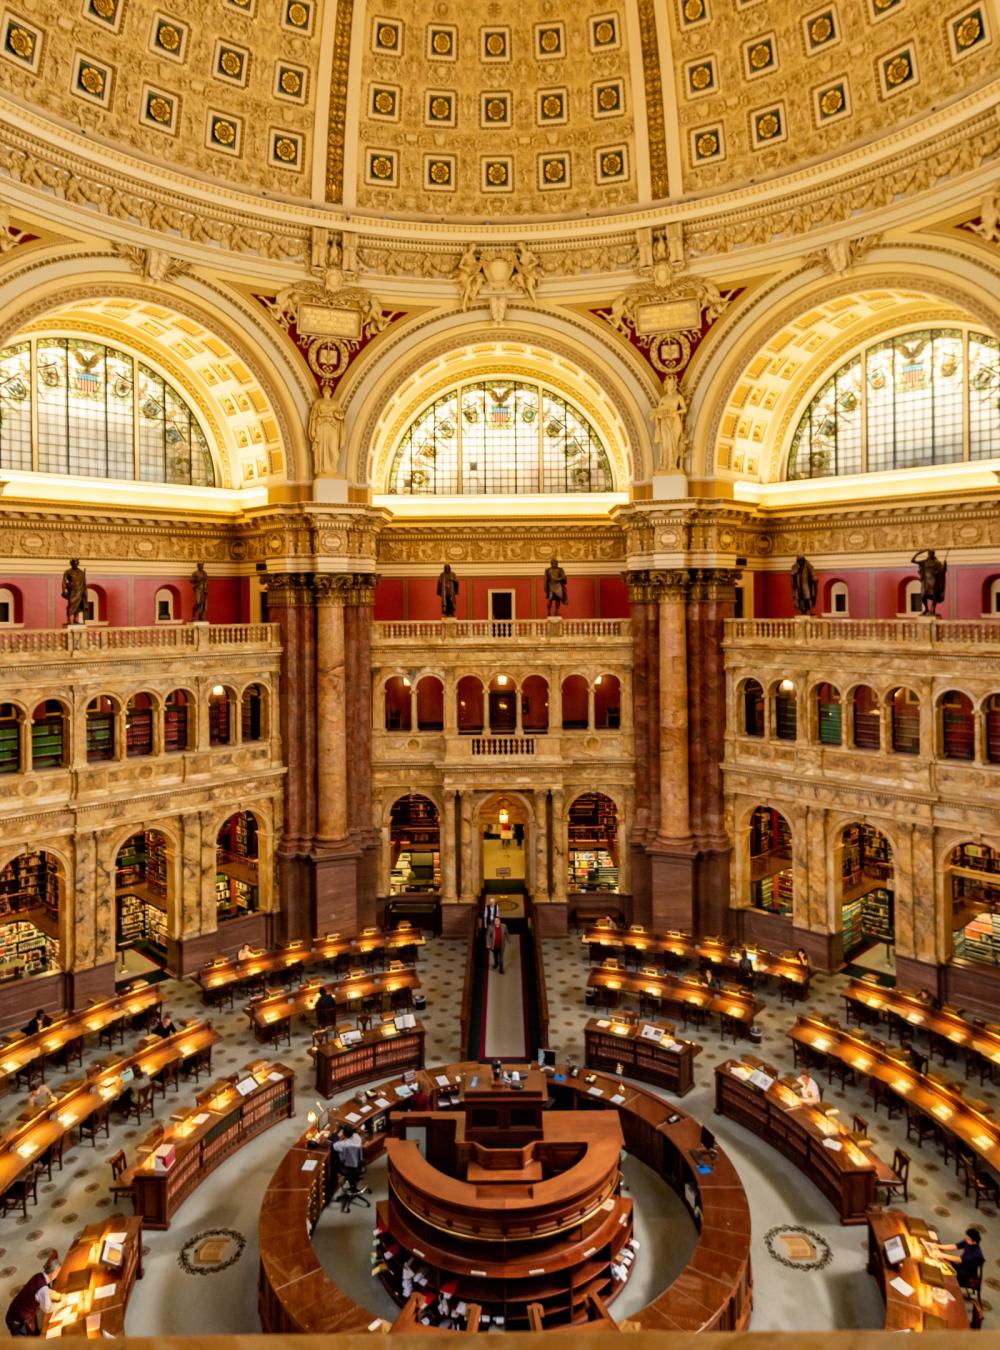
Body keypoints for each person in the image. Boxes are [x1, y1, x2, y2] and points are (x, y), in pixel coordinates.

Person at [5, 1253, 61, 1335]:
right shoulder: (43, 1289)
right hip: (17, 1320)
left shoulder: (39, 1275)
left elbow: (43, 1290)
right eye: (58, 1272)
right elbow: (47, 1308)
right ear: (54, 1273)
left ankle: (36, 1334)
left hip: (16, 1310)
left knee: (33, 1333)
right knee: (24, 1344)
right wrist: (62, 1304)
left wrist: (58, 1295)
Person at [652, 374, 687, 472]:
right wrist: (657, 416)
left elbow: (684, 409)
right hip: (664, 422)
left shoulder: (678, 397)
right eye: (668, 384)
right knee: (665, 443)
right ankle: (664, 464)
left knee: (673, 442)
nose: (670, 385)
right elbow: (658, 411)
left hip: (674, 421)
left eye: (672, 384)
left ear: (674, 385)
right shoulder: (663, 399)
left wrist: (675, 412)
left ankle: (673, 464)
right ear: (666, 385)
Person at [308, 386, 346, 477]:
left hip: (332, 427)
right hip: (321, 426)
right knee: (321, 448)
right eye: (324, 390)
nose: (326, 391)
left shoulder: (335, 403)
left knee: (333, 449)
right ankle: (322, 469)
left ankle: (333, 469)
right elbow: (313, 417)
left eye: (328, 390)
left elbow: (341, 416)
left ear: (330, 392)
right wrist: (313, 429)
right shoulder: (318, 402)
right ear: (322, 392)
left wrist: (337, 415)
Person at [911, 548, 946, 615]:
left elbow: (941, 571)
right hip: (926, 581)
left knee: (934, 595)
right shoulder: (924, 562)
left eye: (931, 553)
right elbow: (913, 560)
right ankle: (926, 609)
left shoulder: (937, 563)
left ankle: (932, 610)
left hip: (934, 580)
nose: (930, 554)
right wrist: (919, 553)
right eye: (929, 553)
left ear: (933, 554)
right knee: (923, 595)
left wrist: (944, 567)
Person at [60, 559, 86, 625]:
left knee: (78, 606)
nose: (75, 565)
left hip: (80, 591)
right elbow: (64, 582)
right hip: (72, 591)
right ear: (71, 564)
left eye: (76, 563)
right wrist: (63, 591)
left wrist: (84, 592)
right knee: (71, 605)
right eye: (74, 564)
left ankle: (75, 619)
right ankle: (68, 620)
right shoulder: (68, 572)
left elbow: (84, 583)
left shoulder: (81, 572)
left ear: (78, 564)